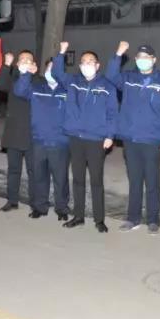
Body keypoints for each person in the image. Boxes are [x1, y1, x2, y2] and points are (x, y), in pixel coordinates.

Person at [106, 42, 160, 235]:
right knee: (135, 180)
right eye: (139, 57)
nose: (142, 61)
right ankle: (133, 218)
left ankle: (153, 220)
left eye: (146, 58)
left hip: (153, 138)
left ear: (154, 60)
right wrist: (118, 54)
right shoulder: (128, 78)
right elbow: (111, 76)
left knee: (152, 181)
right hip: (131, 138)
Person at [52, 42, 118, 233]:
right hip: (76, 137)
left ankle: (99, 219)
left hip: (96, 138)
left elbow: (113, 113)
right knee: (78, 179)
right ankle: (78, 216)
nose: (86, 64)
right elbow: (56, 73)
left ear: (97, 65)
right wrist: (61, 53)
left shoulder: (107, 86)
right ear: (79, 66)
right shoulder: (72, 81)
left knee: (96, 180)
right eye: (83, 62)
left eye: (90, 61)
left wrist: (110, 135)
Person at [14, 59, 71, 221]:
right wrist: (25, 74)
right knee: (39, 176)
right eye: (49, 68)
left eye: (55, 68)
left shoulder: (67, 90)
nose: (51, 71)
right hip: (39, 140)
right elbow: (19, 90)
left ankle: (62, 208)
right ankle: (40, 207)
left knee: (60, 178)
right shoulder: (37, 88)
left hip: (60, 142)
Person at [0, 50, 35, 214]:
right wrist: (6, 64)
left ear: (34, 64)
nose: (25, 61)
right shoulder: (12, 79)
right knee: (13, 170)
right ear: (17, 64)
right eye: (22, 59)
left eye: (28, 59)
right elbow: (0, 85)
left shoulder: (38, 81)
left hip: (32, 133)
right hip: (14, 133)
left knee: (33, 171)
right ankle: (12, 201)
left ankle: (35, 203)